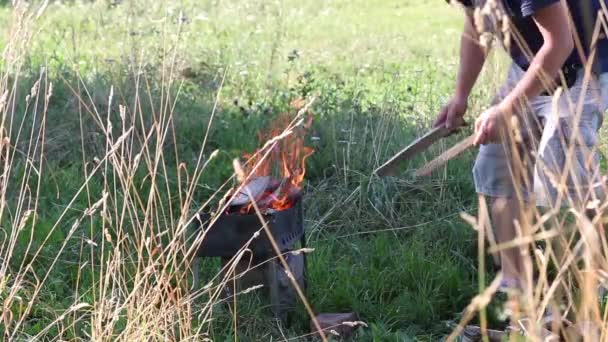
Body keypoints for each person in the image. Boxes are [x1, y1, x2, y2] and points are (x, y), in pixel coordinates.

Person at [435, 0, 608, 292]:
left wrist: (507, 109)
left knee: (568, 173)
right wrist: (460, 96)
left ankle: (601, 271)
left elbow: (560, 43)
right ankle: (514, 279)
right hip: (533, 63)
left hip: (582, 66)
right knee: (499, 162)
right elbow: (476, 25)